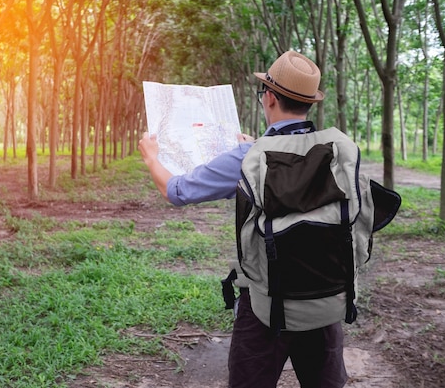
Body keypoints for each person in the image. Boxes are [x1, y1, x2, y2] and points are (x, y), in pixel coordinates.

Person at [138, 50, 348, 388]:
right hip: (324, 302)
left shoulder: (247, 158)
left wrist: (151, 158)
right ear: (309, 104)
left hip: (266, 306)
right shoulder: (333, 152)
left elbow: (176, 191)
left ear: (269, 99)